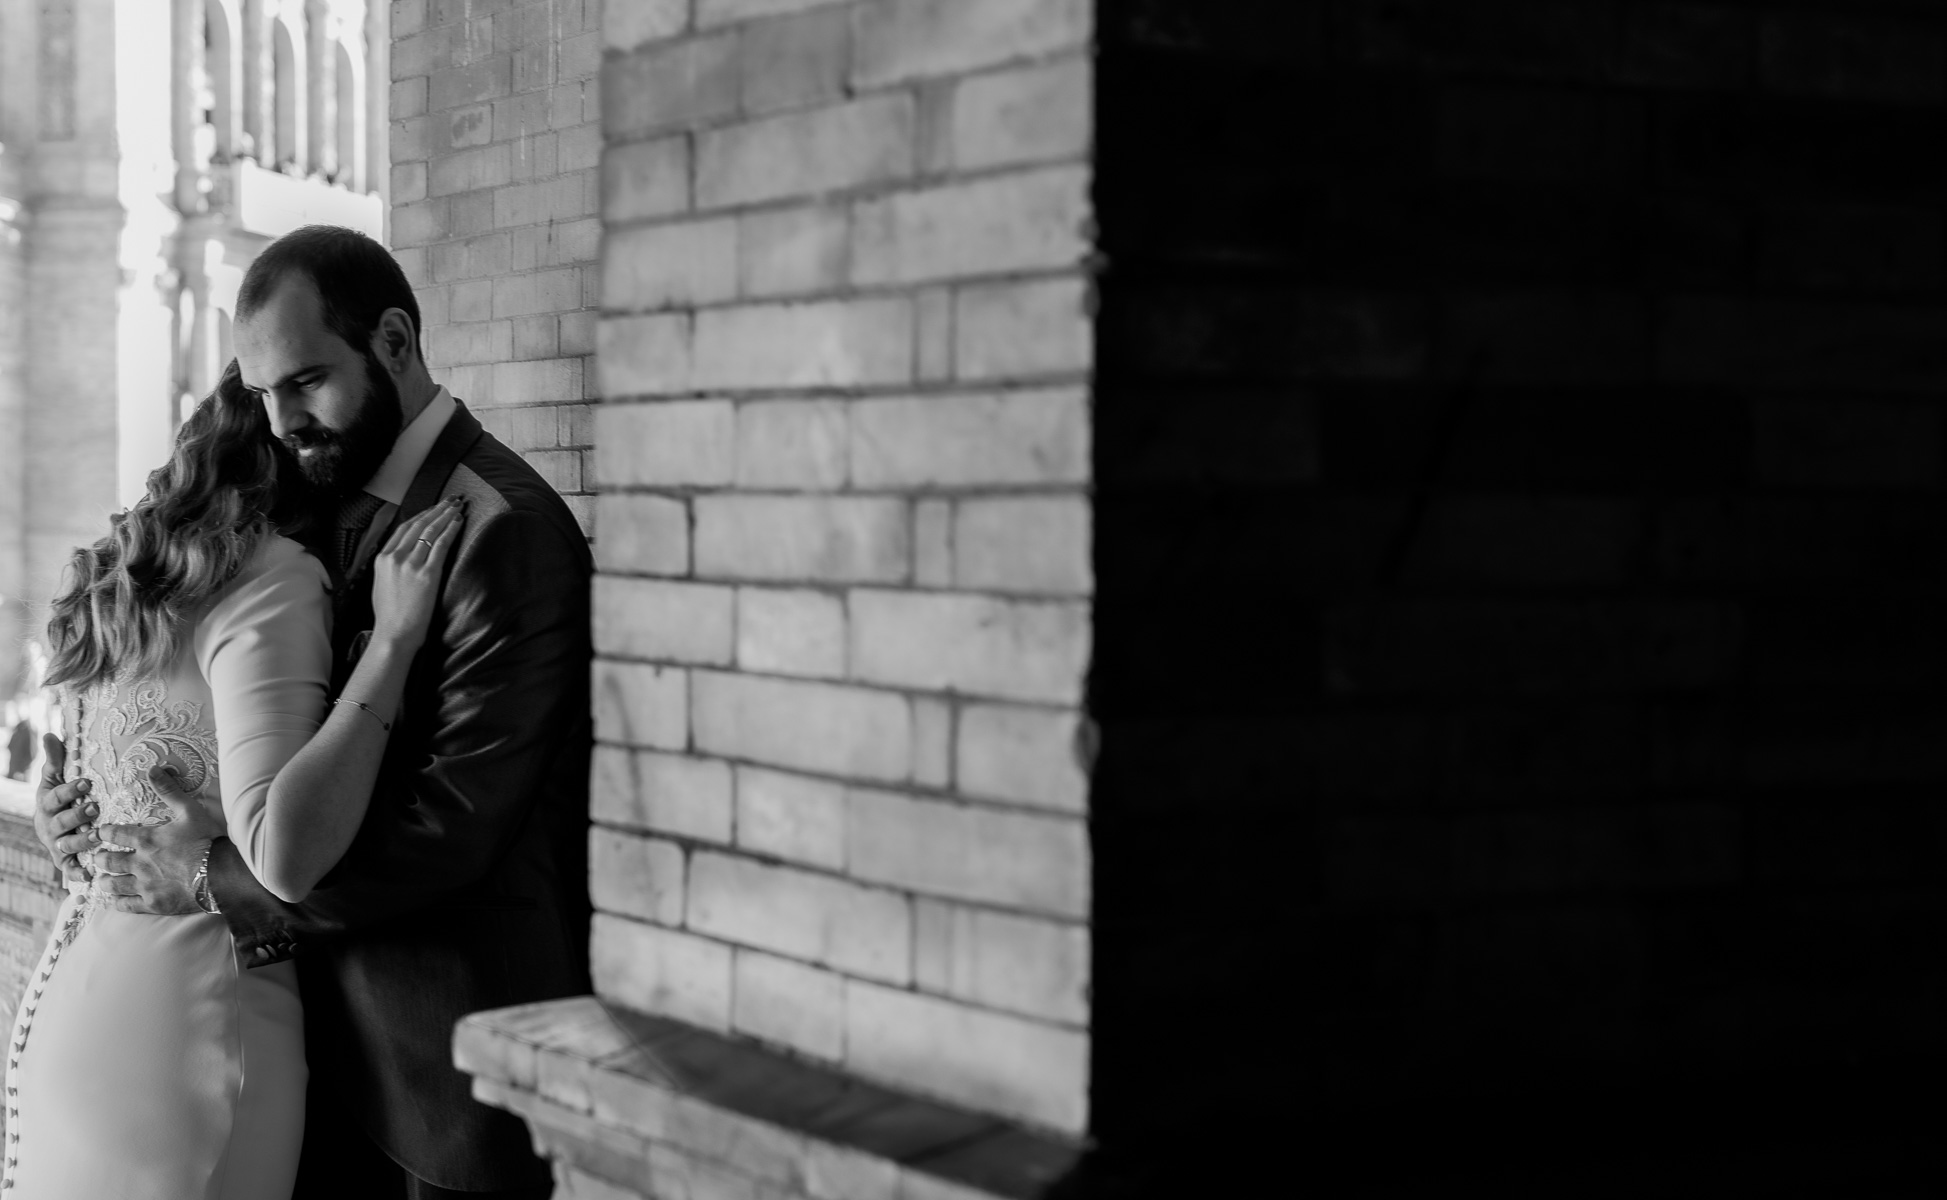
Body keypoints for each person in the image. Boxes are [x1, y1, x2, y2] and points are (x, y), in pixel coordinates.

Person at [33, 225, 592, 1199]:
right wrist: (87, 810)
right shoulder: (304, 497)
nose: (284, 417)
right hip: (305, 1057)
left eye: (307, 381)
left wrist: (212, 875)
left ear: (395, 342)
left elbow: (448, 832)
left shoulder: (506, 532)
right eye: (262, 393)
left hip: (439, 1088)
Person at [4, 701, 31, 781]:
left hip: (20, 772)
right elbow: (11, 747)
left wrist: (22, 770)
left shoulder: (26, 731)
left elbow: (30, 752)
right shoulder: (17, 730)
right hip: (13, 770)